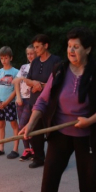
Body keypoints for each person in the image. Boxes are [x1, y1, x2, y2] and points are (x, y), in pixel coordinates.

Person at [20, 27, 96, 192]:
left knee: (92, 173)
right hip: (60, 132)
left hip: (88, 133)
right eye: (69, 46)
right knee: (51, 172)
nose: (71, 50)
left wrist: (91, 120)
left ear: (88, 49)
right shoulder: (59, 70)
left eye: (76, 46)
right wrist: (30, 124)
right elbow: (43, 101)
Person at [23, 34, 61, 168]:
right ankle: (39, 158)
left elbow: (58, 82)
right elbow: (26, 79)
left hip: (51, 104)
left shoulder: (56, 61)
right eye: (34, 47)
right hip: (35, 103)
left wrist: (41, 85)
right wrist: (34, 82)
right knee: (35, 132)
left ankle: (56, 161)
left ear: (46, 45)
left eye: (38, 47)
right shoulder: (35, 62)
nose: (35, 49)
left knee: (53, 133)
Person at [0, 46, 20, 159]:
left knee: (13, 124)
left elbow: (16, 90)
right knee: (1, 124)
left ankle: (15, 149)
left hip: (10, 103)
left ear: (10, 58)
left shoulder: (16, 72)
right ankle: (0, 148)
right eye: (1, 58)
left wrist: (7, 101)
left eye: (6, 58)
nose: (3, 60)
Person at [13, 45, 36, 161]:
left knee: (24, 126)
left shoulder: (38, 67)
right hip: (21, 99)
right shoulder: (23, 67)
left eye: (32, 53)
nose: (30, 56)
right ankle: (27, 149)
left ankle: (34, 149)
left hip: (31, 100)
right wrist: (18, 97)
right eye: (28, 54)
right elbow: (16, 82)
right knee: (22, 126)